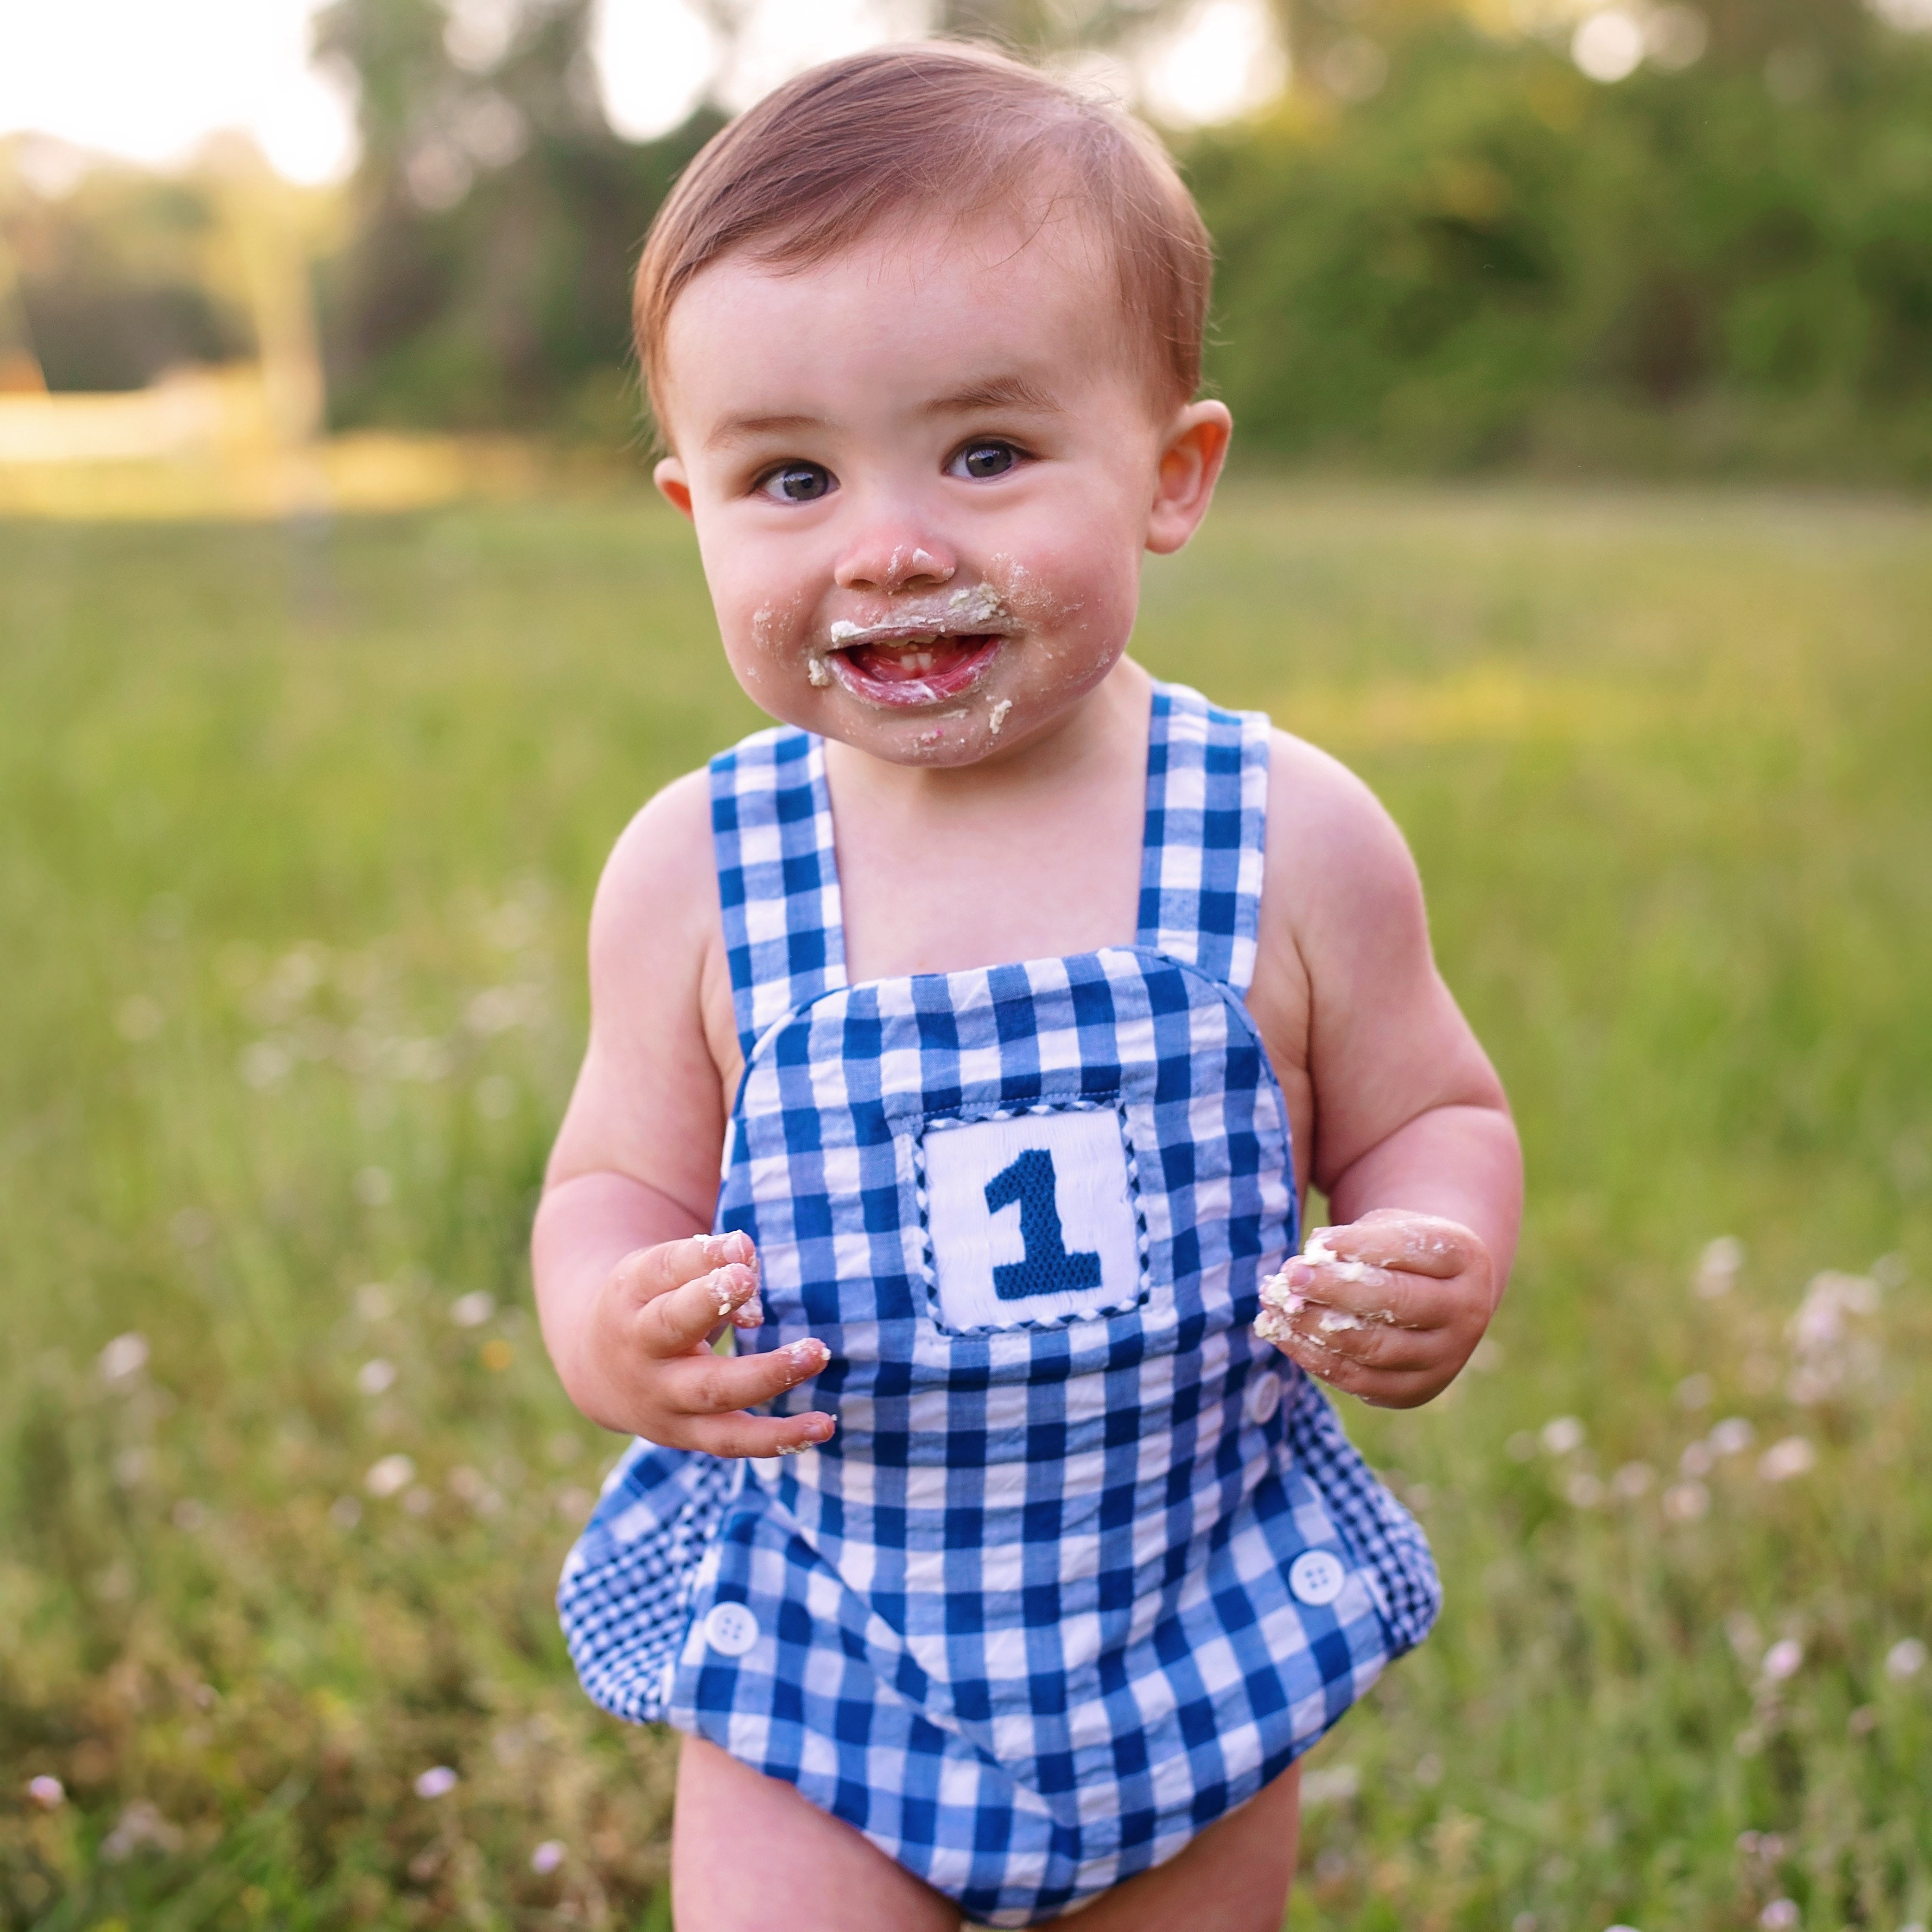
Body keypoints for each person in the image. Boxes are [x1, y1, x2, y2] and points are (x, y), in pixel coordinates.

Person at [534, 41, 1521, 1932]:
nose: (890, 545)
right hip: (826, 1645)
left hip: (1188, 1610)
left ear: (1169, 475)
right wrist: (607, 1325)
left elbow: (1427, 1113)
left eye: (984, 452)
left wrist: (1434, 1248)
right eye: (792, 477)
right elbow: (610, 1185)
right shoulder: (698, 872)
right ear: (694, 515)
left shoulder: (1288, 835)